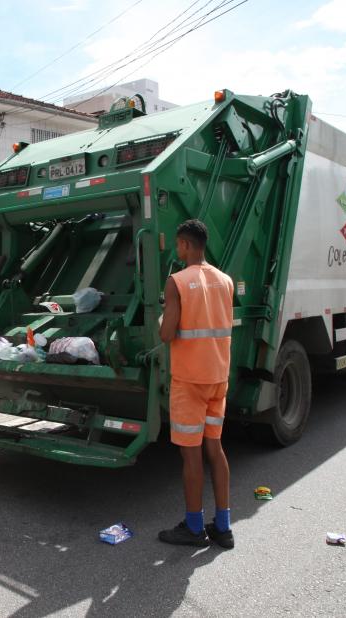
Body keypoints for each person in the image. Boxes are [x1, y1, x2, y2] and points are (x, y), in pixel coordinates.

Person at [158, 220, 235, 549]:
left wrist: (161, 319)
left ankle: (193, 528)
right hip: (218, 378)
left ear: (186, 245)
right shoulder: (226, 280)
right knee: (215, 450)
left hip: (189, 381)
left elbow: (167, 333)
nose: (178, 251)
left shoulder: (176, 282)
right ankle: (223, 526)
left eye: (178, 246)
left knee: (191, 457)